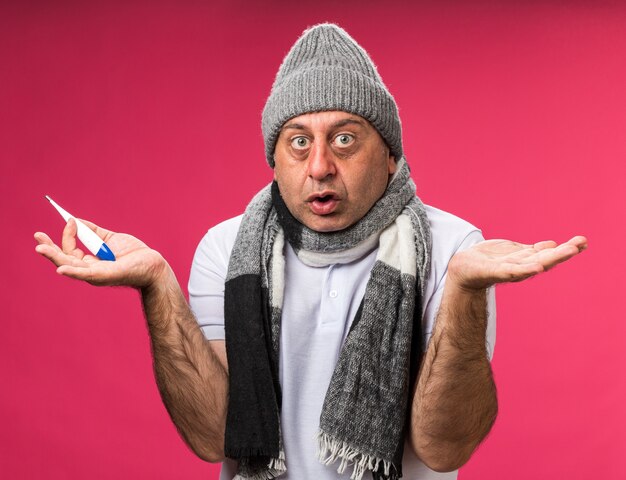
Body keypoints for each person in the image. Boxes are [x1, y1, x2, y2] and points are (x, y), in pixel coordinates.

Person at [34, 24, 587, 480]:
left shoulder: (453, 249)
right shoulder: (227, 249)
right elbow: (212, 438)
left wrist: (464, 291)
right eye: (299, 140)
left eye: (345, 138)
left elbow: (445, 449)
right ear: (274, 159)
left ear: (390, 155)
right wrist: (156, 284)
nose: (320, 164)